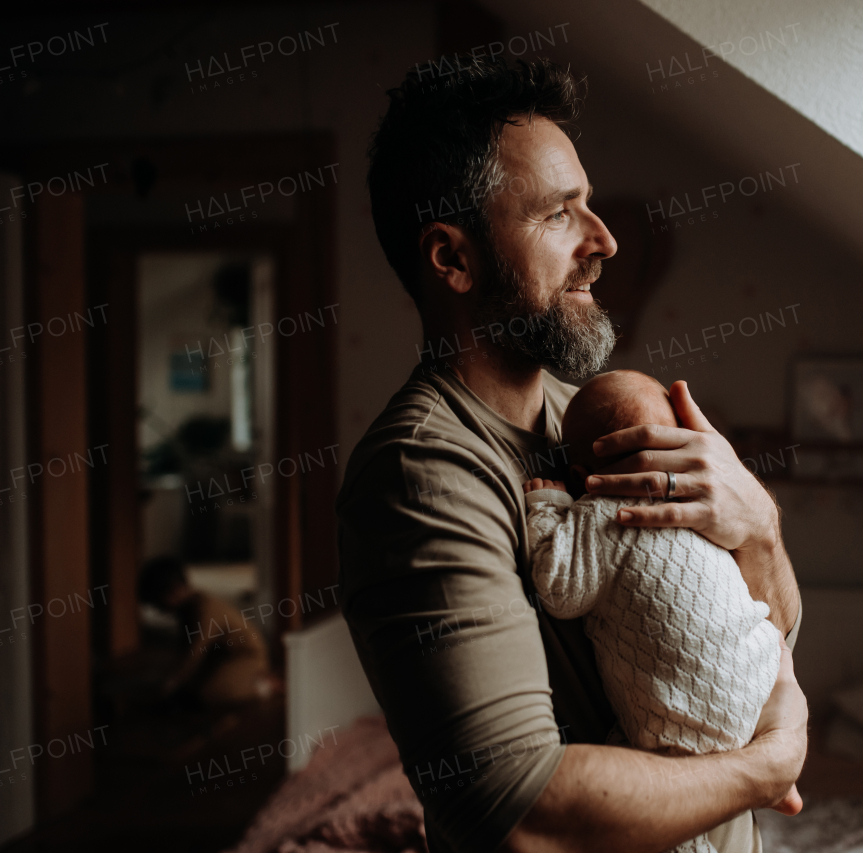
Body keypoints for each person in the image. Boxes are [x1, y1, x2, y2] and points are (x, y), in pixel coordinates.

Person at [339, 55, 805, 853]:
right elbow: (523, 812)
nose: (605, 240)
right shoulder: (422, 474)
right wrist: (767, 768)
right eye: (560, 215)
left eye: (589, 206)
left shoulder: (590, 417)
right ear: (452, 259)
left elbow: (756, 630)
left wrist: (759, 527)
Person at [522, 370, 800, 853]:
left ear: (581, 478)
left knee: (638, 773)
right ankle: (772, 771)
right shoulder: (702, 508)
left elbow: (559, 588)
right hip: (759, 674)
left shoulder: (602, 513)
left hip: (682, 725)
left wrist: (548, 507)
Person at [137, 556, 272, 708]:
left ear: (175, 590)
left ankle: (262, 684)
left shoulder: (205, 609)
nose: (160, 610)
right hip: (220, 657)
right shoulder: (188, 609)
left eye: (159, 602)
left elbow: (195, 651)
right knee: (191, 686)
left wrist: (171, 682)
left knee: (210, 693)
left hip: (246, 657)